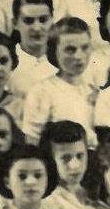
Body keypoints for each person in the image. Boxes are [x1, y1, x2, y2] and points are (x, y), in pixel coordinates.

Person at [21, 17, 98, 146]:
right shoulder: (42, 91)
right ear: (54, 51)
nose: (79, 56)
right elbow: (32, 141)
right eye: (70, 50)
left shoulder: (93, 90)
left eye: (85, 48)